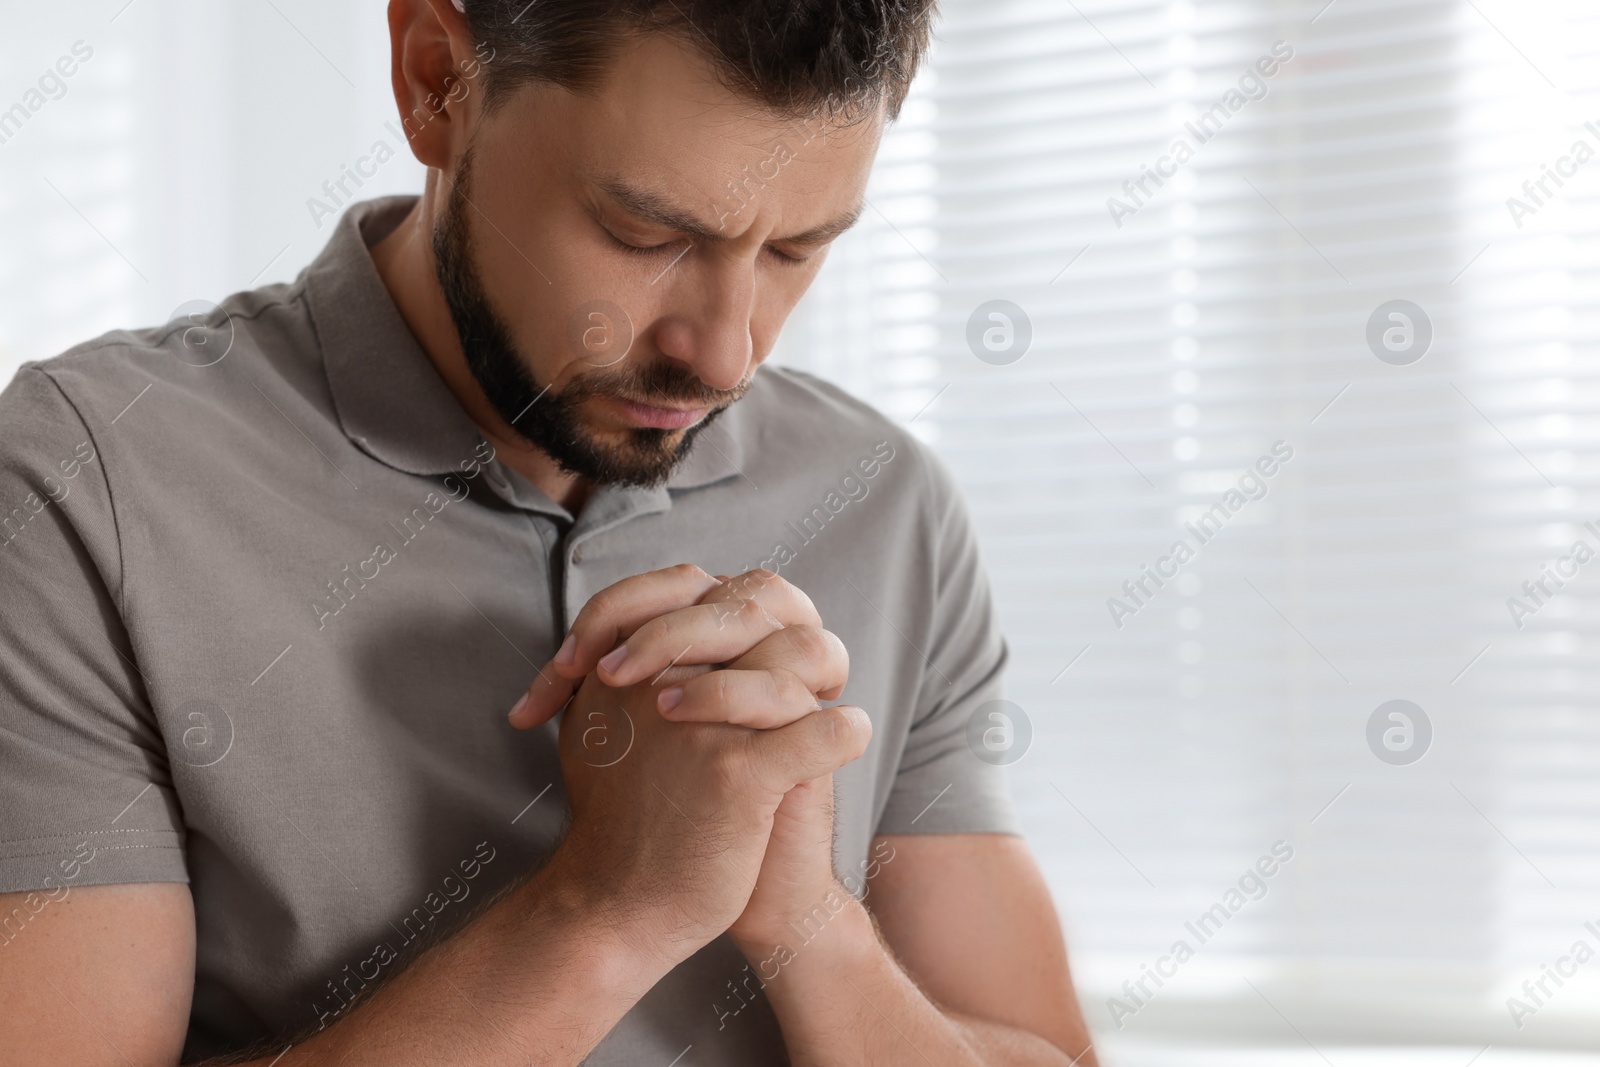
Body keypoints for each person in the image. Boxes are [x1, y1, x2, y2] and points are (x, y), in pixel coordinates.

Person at [0, 0, 1095, 1062]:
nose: (725, 355)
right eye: (648, 232)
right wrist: (608, 906)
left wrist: (809, 920)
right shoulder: (85, 481)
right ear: (438, 81)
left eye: (794, 250)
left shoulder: (884, 500)